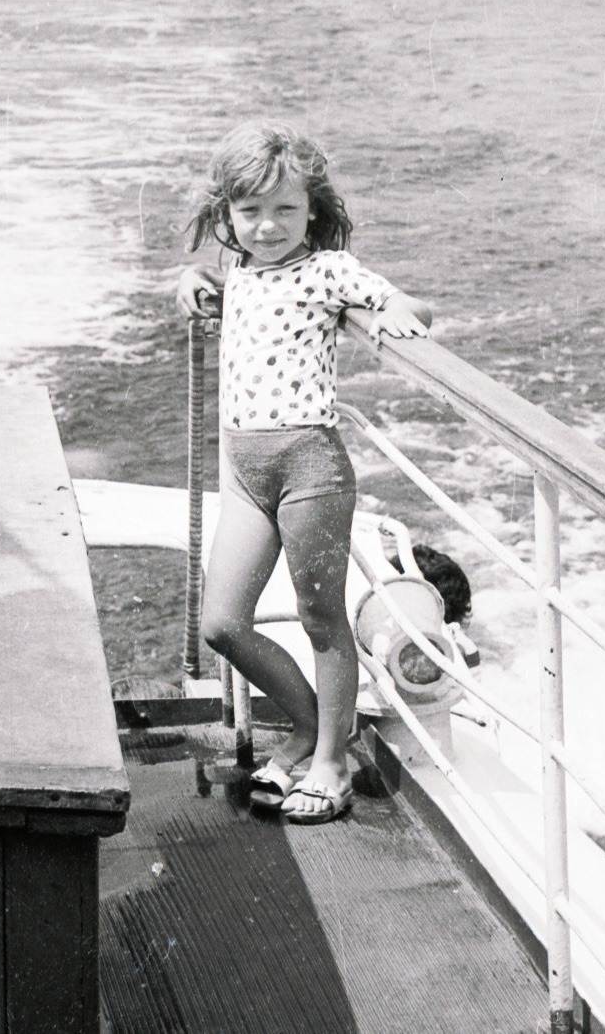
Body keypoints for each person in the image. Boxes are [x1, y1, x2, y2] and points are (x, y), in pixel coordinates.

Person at [177, 122, 431, 824]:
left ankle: (328, 761)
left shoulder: (327, 270)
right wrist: (194, 281)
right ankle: (314, 725)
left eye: (286, 210)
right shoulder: (238, 272)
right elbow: (246, 302)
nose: (267, 226)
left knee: (323, 621)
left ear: (313, 210)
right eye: (250, 211)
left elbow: (397, 300)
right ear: (226, 213)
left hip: (309, 470)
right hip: (246, 476)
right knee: (223, 624)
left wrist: (401, 312)